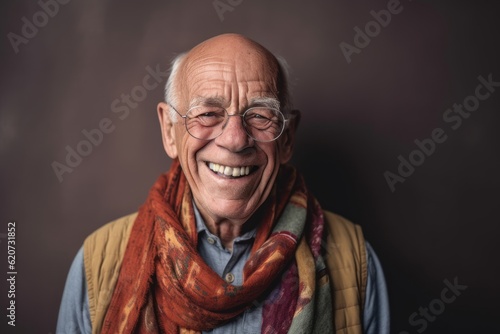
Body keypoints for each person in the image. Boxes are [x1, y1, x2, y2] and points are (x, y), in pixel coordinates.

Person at [56, 33, 390, 334]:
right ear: (168, 131)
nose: (234, 140)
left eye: (260, 114)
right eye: (207, 113)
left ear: (287, 138)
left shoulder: (354, 260)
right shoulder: (98, 263)